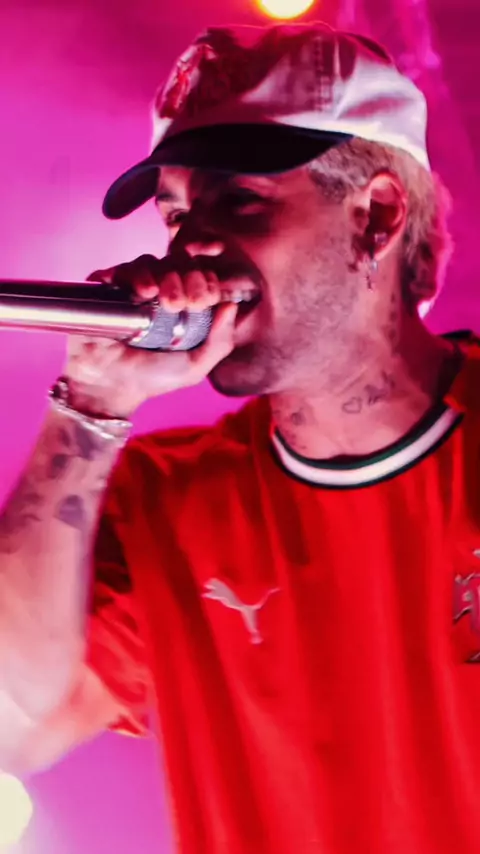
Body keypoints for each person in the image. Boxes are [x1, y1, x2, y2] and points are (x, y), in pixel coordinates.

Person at [0, 19, 479, 854]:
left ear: (376, 214)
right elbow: (14, 722)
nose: (191, 245)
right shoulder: (165, 501)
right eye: (177, 213)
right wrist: (90, 402)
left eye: (242, 200)